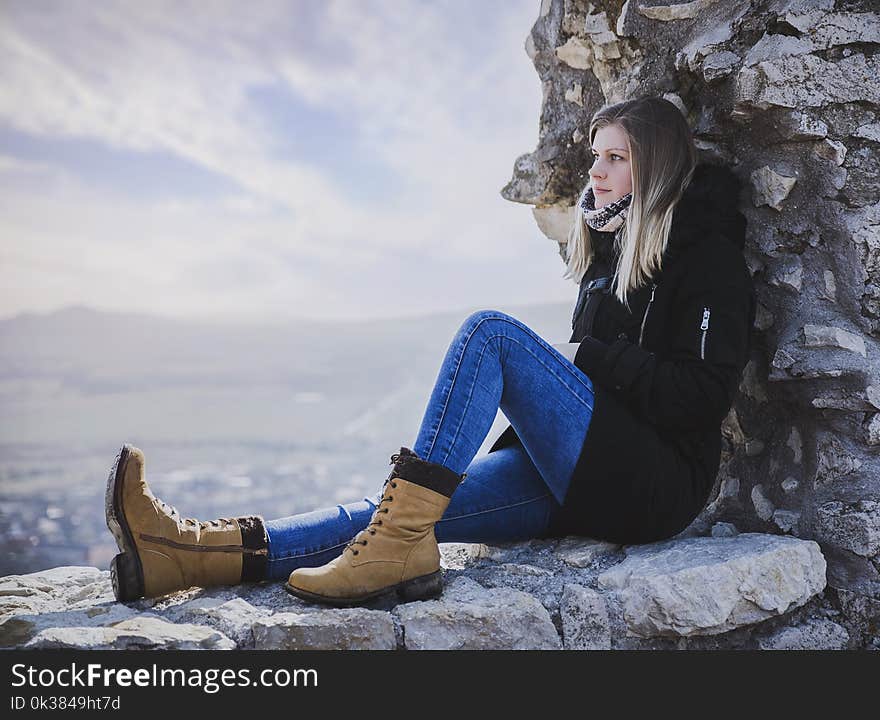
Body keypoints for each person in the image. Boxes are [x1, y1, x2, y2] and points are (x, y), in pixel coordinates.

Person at [104, 95, 756, 607]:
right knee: (392, 519)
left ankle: (397, 544)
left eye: (615, 157)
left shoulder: (708, 259)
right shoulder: (606, 259)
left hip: (656, 485)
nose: (595, 171)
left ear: (657, 164)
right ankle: (184, 553)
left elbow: (697, 400)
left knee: (491, 332)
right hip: (581, 469)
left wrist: (589, 359)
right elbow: (594, 387)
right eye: (597, 156)